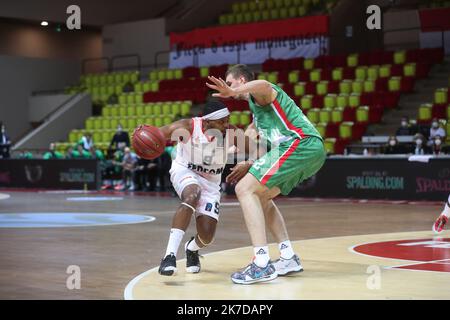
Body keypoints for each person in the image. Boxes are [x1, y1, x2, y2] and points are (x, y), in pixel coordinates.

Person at [206, 64, 326, 284]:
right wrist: (228, 152)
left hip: (301, 143)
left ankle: (261, 264)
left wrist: (233, 92)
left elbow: (263, 84)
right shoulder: (257, 112)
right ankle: (288, 256)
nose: (229, 88)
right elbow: (250, 138)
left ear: (242, 80)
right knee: (262, 197)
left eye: (231, 83)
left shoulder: (262, 91)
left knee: (244, 188)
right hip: (307, 150)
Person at [157, 100, 232, 276]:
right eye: (221, 122)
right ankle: (169, 256)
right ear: (206, 122)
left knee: (207, 237)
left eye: (227, 120)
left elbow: (253, 147)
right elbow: (161, 133)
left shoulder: (231, 132)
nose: (226, 125)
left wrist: (248, 160)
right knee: (192, 194)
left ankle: (191, 248)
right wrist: (149, 138)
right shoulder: (188, 126)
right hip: (185, 170)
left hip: (211, 183)